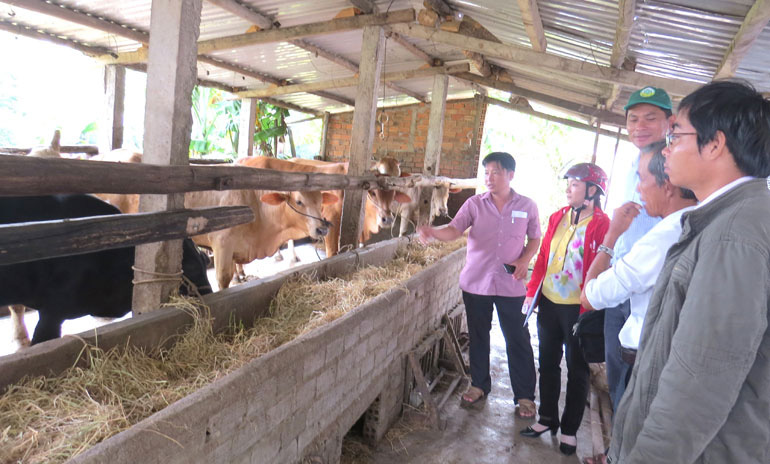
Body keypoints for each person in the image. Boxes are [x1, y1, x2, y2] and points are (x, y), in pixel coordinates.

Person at [608, 81, 770, 464]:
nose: (666, 149)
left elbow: (700, 381)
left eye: (676, 135)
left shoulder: (734, 234)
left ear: (714, 143)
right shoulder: (726, 219)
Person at [417, 152, 541, 418]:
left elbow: (535, 239)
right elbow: (454, 229)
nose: (489, 178)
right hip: (476, 283)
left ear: (510, 175)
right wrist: (434, 232)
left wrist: (525, 259)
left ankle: (525, 396)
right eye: (486, 173)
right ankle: (479, 385)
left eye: (495, 172)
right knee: (478, 336)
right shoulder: (474, 204)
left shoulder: (527, 206)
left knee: (517, 338)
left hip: (511, 284)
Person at [581, 141, 697, 393]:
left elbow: (589, 297)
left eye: (642, 179)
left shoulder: (661, 240)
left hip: (648, 363)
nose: (637, 188)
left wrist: (611, 236)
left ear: (667, 186)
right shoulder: (698, 222)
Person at [519, 163, 610, 456]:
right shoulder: (557, 216)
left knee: (577, 369)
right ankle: (547, 418)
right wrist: (531, 293)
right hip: (548, 302)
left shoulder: (602, 224)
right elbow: (544, 255)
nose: (568, 189)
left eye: (574, 184)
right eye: (568, 184)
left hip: (578, 309)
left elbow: (602, 267)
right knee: (546, 361)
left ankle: (570, 430)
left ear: (592, 191)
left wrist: (591, 309)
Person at [604, 87, 673, 411]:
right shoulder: (632, 163)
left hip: (650, 288)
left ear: (669, 123)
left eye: (651, 118)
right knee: (617, 371)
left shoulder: (673, 165)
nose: (640, 126)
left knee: (639, 380)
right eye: (633, 119)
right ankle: (615, 449)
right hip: (620, 283)